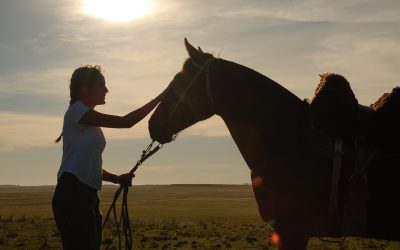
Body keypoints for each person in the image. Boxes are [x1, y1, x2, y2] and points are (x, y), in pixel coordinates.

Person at [52, 65, 166, 250]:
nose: (106, 90)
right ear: (85, 89)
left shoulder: (88, 121)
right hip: (73, 195)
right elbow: (125, 122)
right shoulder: (76, 111)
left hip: (85, 195)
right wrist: (159, 99)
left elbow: (88, 164)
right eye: (101, 85)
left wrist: (115, 178)